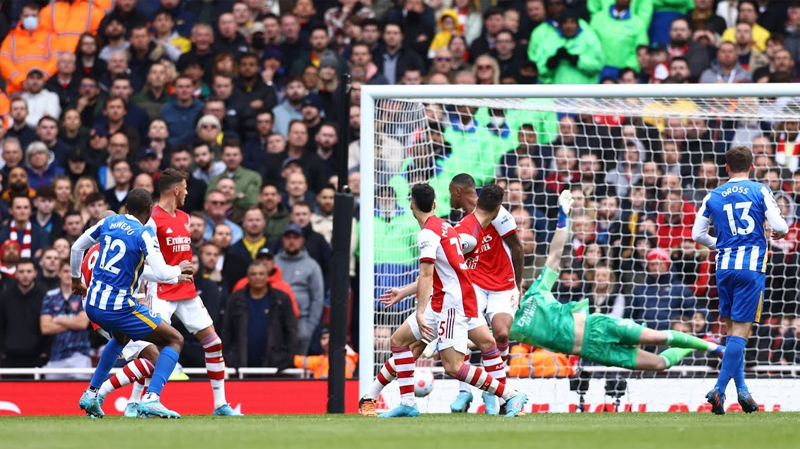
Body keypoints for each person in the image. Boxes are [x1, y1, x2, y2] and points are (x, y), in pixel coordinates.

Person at [509, 190, 724, 376]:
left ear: (521, 287)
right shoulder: (507, 325)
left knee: (658, 338)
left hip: (598, 326)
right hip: (591, 351)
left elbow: (555, 254)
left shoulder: (537, 291)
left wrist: (563, 218)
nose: (511, 291)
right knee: (659, 363)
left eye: (513, 287)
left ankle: (712, 346)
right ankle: (696, 339)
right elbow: (478, 339)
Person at [360, 184, 527, 418]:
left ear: (411, 206)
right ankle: (389, 400)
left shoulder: (431, 233)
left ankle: (510, 396)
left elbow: (428, 273)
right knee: (401, 341)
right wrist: (406, 292)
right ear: (435, 205)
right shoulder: (447, 227)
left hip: (450, 304)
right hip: (455, 298)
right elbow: (446, 266)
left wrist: (419, 310)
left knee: (452, 366)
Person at [69, 188, 191, 419]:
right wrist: (178, 269)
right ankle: (152, 398)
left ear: (126, 207)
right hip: (118, 308)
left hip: (94, 306)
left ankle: (92, 393)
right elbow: (162, 272)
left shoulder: (109, 222)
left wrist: (76, 280)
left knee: (120, 338)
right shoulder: (143, 233)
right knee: (175, 339)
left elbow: (76, 247)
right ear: (149, 210)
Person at [692, 146, 789, 414]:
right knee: (742, 333)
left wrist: (718, 244)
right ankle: (719, 390)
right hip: (751, 268)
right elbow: (780, 226)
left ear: (726, 167)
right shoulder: (760, 190)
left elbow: (697, 234)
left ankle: (743, 392)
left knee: (734, 332)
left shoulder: (713, 195)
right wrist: (782, 231)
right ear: (752, 166)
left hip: (723, 268)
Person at [145, 169, 243, 416]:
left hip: (186, 290)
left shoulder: (185, 218)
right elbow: (144, 261)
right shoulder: (151, 220)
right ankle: (145, 399)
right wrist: (171, 271)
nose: (188, 193)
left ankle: (220, 404)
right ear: (176, 190)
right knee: (151, 348)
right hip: (161, 290)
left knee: (213, 342)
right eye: (185, 188)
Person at [447, 174, 524, 414]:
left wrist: (518, 285)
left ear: (458, 192)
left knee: (501, 334)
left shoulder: (498, 214)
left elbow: (517, 248)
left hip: (503, 282)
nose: (449, 198)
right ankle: (465, 391)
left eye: (450, 193)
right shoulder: (462, 221)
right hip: (475, 284)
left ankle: (492, 391)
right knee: (464, 331)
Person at [223, 261, 297, 370]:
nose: (257, 277)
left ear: (268, 276)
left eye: (261, 274)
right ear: (247, 277)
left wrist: (287, 358)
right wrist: (228, 357)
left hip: (275, 365)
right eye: (253, 274)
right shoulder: (235, 300)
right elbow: (227, 330)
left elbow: (291, 330)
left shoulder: (281, 299)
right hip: (241, 365)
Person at [40, 260, 91, 379]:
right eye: (66, 271)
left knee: (81, 394)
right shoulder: (50, 296)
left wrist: (57, 319)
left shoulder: (84, 295)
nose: (69, 275)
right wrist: (73, 321)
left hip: (80, 355)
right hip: (56, 356)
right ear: (59, 273)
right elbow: (45, 327)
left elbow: (83, 323)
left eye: (72, 272)